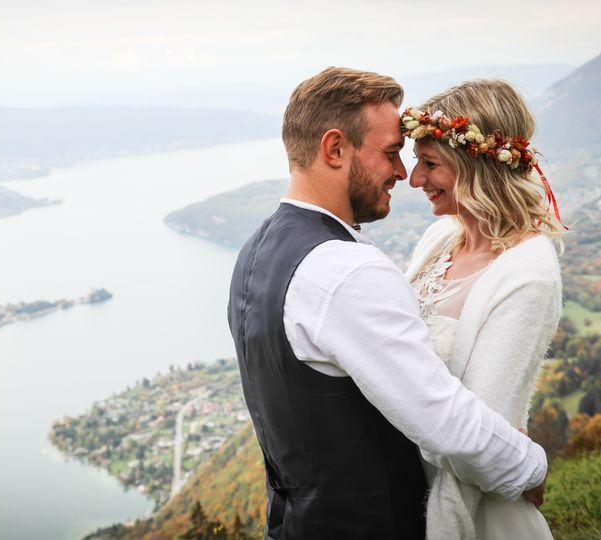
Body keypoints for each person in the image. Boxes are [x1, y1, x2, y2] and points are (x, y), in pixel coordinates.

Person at [227, 66, 547, 539]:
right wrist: (530, 468)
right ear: (335, 149)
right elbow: (441, 418)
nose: (403, 173)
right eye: (392, 152)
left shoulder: (254, 254)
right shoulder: (346, 270)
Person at [403, 79, 566, 539]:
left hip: (477, 514)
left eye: (430, 164)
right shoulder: (437, 240)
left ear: (474, 164)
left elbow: (480, 433)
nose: (415, 179)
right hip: (400, 493)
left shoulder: (528, 272)